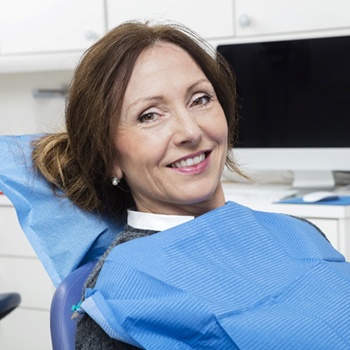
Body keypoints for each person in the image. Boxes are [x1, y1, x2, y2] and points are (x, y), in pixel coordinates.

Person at [31, 21, 350, 349]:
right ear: (109, 155)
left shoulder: (299, 232)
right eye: (150, 115)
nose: (191, 131)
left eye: (200, 99)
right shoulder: (124, 295)